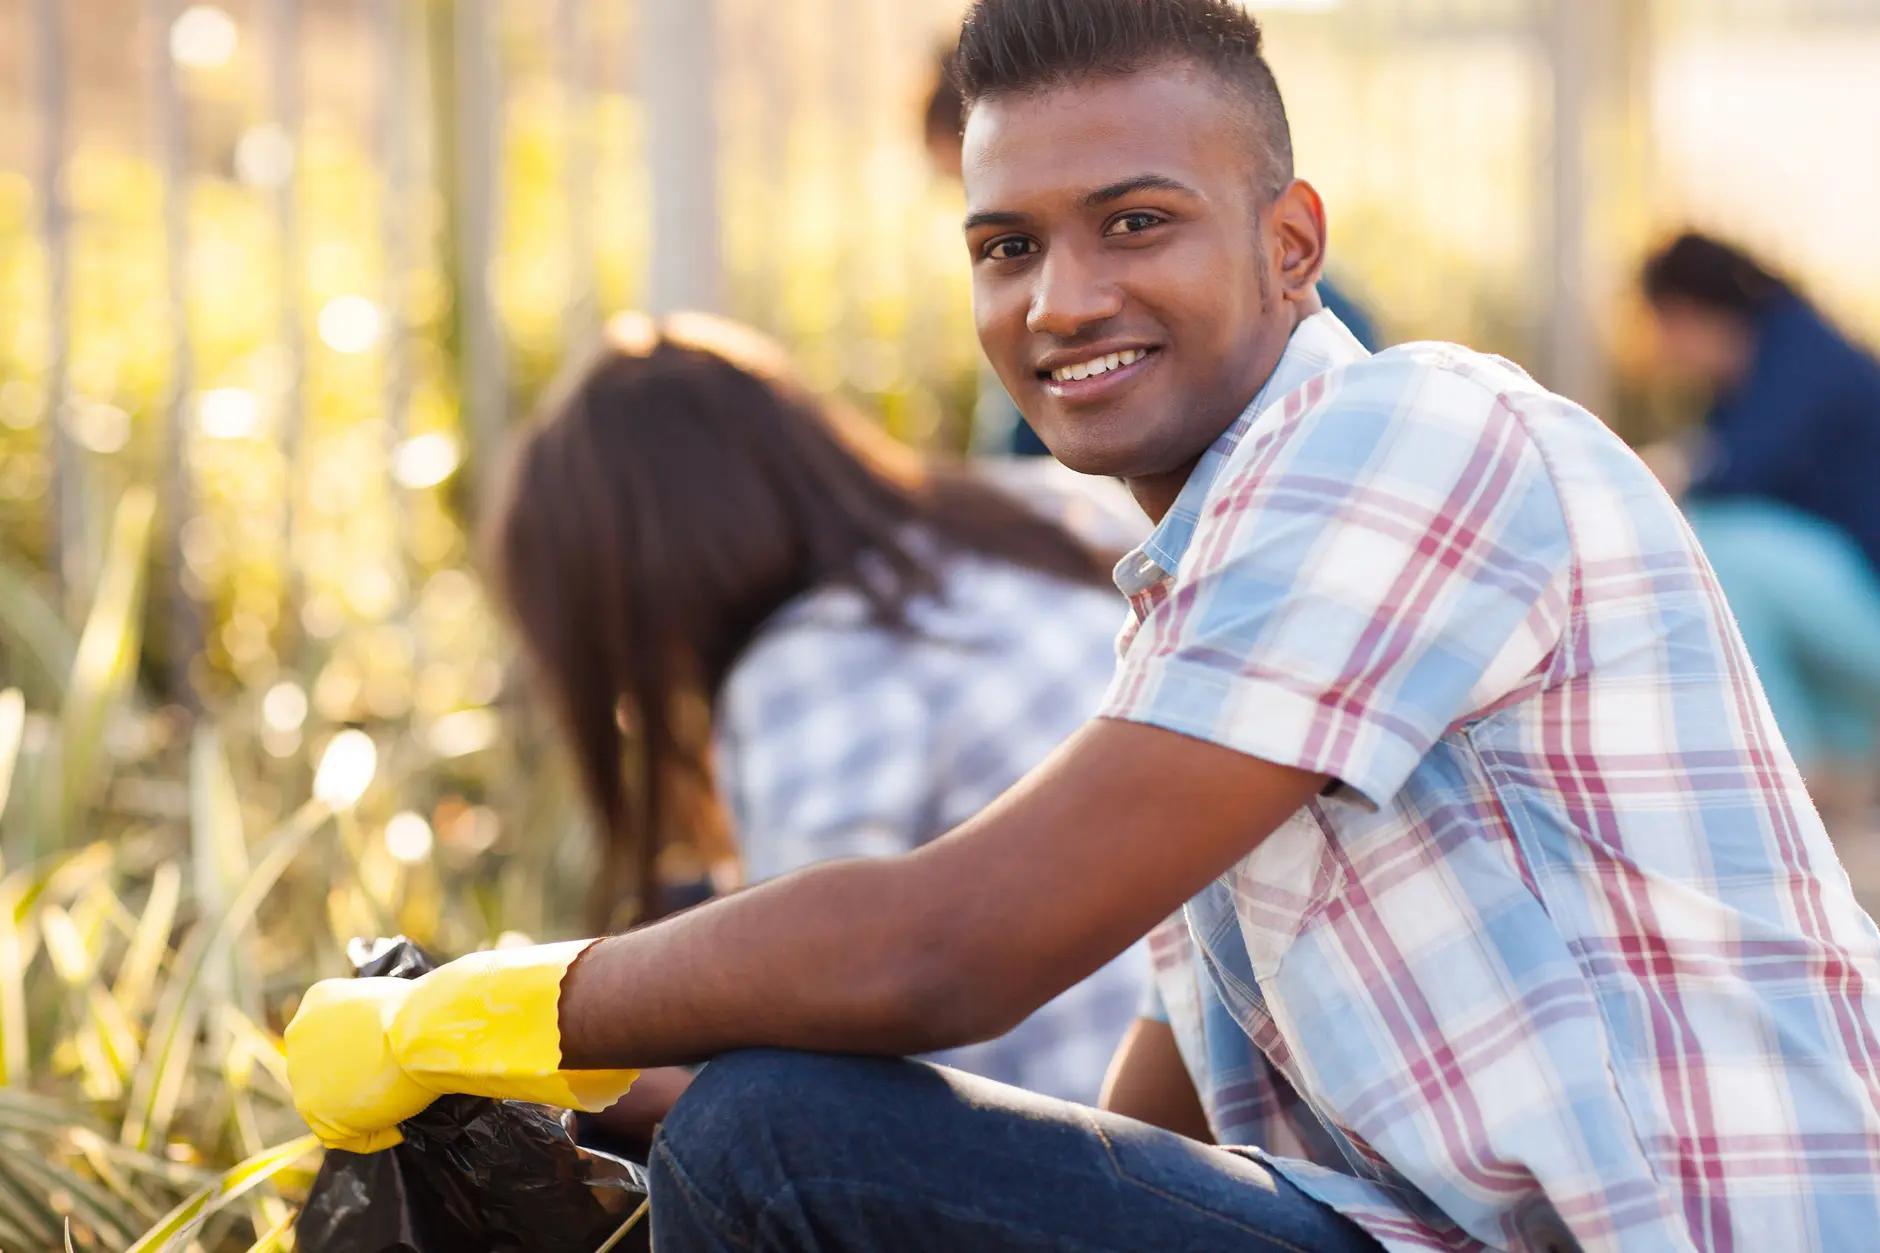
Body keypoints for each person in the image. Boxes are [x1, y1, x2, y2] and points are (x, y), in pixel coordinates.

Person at [287, 3, 1880, 1249]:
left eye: (1134, 223)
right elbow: (1159, 1131)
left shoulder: (1413, 440)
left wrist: (486, 1009)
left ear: (1292, 242)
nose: (1057, 300)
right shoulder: (1198, 598)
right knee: (792, 1144)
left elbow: (947, 946)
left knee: (772, 1136)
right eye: (1006, 246)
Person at [483, 311, 1146, 1111]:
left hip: (1089, 1142)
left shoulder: (812, 663)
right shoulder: (1040, 508)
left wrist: (555, 1073)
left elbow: (814, 1060)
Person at [1641, 233, 1880, 812]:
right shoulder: (1768, 361)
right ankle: (1840, 771)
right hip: (1850, 615)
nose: (1664, 351)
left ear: (1687, 312)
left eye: (1665, 328)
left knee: (1713, 546)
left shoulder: (1796, 354)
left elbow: (1728, 472)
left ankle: (1786, 776)